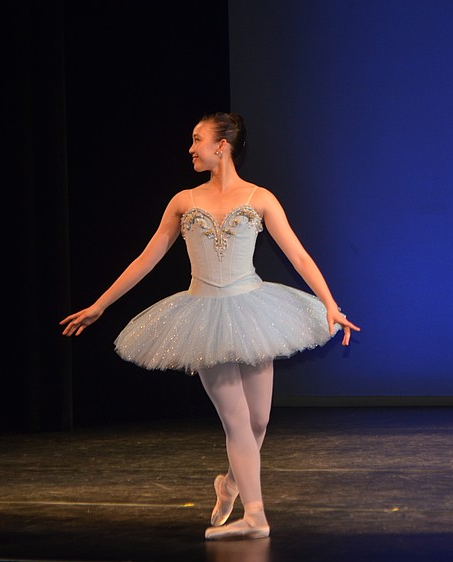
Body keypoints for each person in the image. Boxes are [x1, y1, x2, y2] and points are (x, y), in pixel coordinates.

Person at [60, 112, 360, 540]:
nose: (190, 148)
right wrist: (100, 305)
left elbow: (298, 255)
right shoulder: (183, 201)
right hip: (204, 316)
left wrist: (329, 303)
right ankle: (255, 516)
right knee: (237, 421)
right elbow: (146, 258)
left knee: (259, 422)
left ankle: (231, 484)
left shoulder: (260, 198)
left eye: (197, 139)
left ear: (222, 146)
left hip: (253, 311)